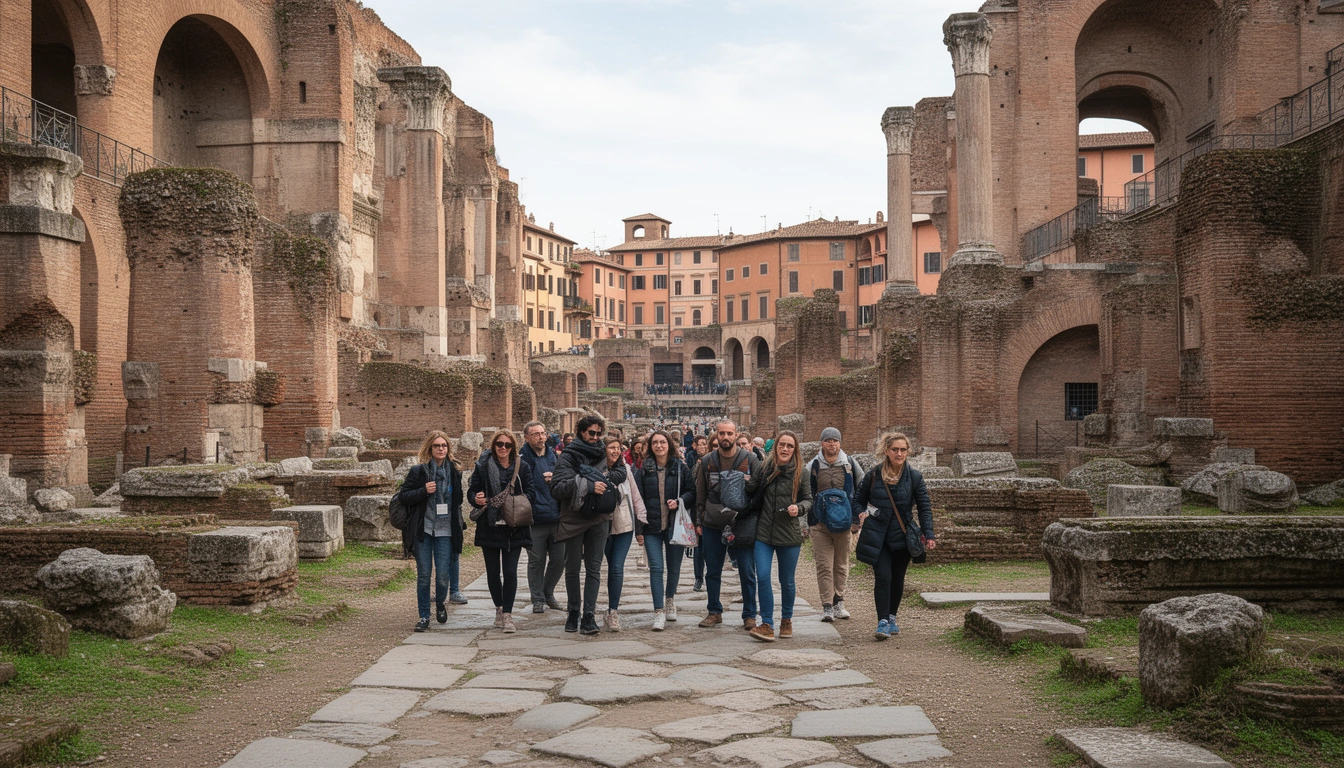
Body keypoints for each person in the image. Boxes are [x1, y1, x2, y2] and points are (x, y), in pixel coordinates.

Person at [852, 432, 937, 640]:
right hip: (878, 536)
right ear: (886, 451)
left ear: (908, 452)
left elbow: (924, 507)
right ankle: (882, 622)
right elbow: (857, 501)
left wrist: (929, 534)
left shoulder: (914, 477)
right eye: (895, 450)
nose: (899, 454)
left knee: (897, 578)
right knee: (883, 576)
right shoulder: (873, 475)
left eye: (903, 450)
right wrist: (863, 513)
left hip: (903, 535)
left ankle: (891, 617)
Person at [552, 414, 626, 635]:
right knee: (573, 568)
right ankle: (573, 611)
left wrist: (610, 477)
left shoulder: (605, 453)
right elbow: (557, 488)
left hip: (599, 518)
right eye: (591, 433)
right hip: (574, 518)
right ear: (581, 432)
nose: (595, 437)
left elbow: (621, 471)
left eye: (598, 433)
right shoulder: (569, 456)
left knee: (594, 568)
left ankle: (589, 615)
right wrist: (588, 485)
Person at [396, 431, 467, 633]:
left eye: (444, 445)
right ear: (430, 448)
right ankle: (424, 616)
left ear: (448, 448)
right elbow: (403, 497)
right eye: (437, 446)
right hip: (424, 530)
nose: (441, 449)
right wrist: (423, 491)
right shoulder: (419, 471)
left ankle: (440, 603)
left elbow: (459, 500)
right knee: (424, 575)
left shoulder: (455, 471)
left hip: (446, 531)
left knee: (443, 575)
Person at [467, 428, 536, 634]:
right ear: (494, 446)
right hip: (490, 525)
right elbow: (472, 491)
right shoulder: (482, 466)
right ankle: (498, 607)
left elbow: (531, 492)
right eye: (499, 444)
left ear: (513, 447)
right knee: (492, 572)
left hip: (514, 526)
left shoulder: (522, 466)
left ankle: (507, 614)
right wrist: (476, 499)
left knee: (510, 571)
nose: (503, 448)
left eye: (507, 445)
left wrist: (515, 503)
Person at [694, 419, 761, 630]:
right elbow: (700, 494)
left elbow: (759, 494)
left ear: (736, 434)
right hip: (713, 522)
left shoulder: (751, 460)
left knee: (747, 571)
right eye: (722, 434)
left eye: (729, 434)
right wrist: (699, 521)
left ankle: (749, 614)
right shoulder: (707, 462)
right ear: (717, 435)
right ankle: (714, 611)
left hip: (742, 522)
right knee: (712, 570)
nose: (725, 437)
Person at [746, 431, 812, 642]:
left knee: (787, 581)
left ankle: (786, 620)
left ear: (795, 450)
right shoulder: (764, 467)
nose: (785, 449)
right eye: (781, 445)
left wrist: (799, 508)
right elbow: (751, 490)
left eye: (789, 446)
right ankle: (767, 623)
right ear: (775, 448)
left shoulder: (802, 473)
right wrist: (743, 477)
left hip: (789, 533)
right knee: (763, 577)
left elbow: (809, 499)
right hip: (764, 531)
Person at [633, 430, 696, 631]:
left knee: (674, 568)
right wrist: (639, 529)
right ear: (650, 447)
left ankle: (670, 598)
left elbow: (691, 492)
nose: (659, 446)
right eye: (655, 443)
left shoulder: (680, 467)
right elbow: (638, 501)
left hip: (673, 525)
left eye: (662, 442)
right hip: (651, 526)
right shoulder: (643, 470)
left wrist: (679, 502)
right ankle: (658, 611)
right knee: (656, 568)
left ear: (669, 445)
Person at [806, 427, 864, 622]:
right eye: (828, 440)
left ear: (840, 443)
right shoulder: (812, 466)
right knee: (823, 566)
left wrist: (858, 519)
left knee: (841, 564)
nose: (832, 443)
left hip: (845, 523)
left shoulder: (850, 464)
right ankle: (827, 606)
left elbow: (861, 490)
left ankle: (839, 600)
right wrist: (803, 523)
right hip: (819, 524)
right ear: (821, 443)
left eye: (835, 440)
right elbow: (804, 493)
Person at [520, 421, 564, 613]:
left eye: (543, 433)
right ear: (527, 437)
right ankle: (537, 598)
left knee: (559, 559)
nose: (540, 437)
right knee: (536, 561)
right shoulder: (521, 459)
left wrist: (555, 479)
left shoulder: (554, 456)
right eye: (535, 434)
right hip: (534, 518)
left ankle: (548, 592)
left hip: (555, 516)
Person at [603, 435, 646, 632]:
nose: (614, 451)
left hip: (624, 524)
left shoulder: (626, 469)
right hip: (600, 525)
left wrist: (641, 526)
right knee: (596, 569)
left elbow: (636, 498)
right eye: (610, 447)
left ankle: (613, 611)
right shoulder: (596, 470)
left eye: (617, 448)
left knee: (617, 567)